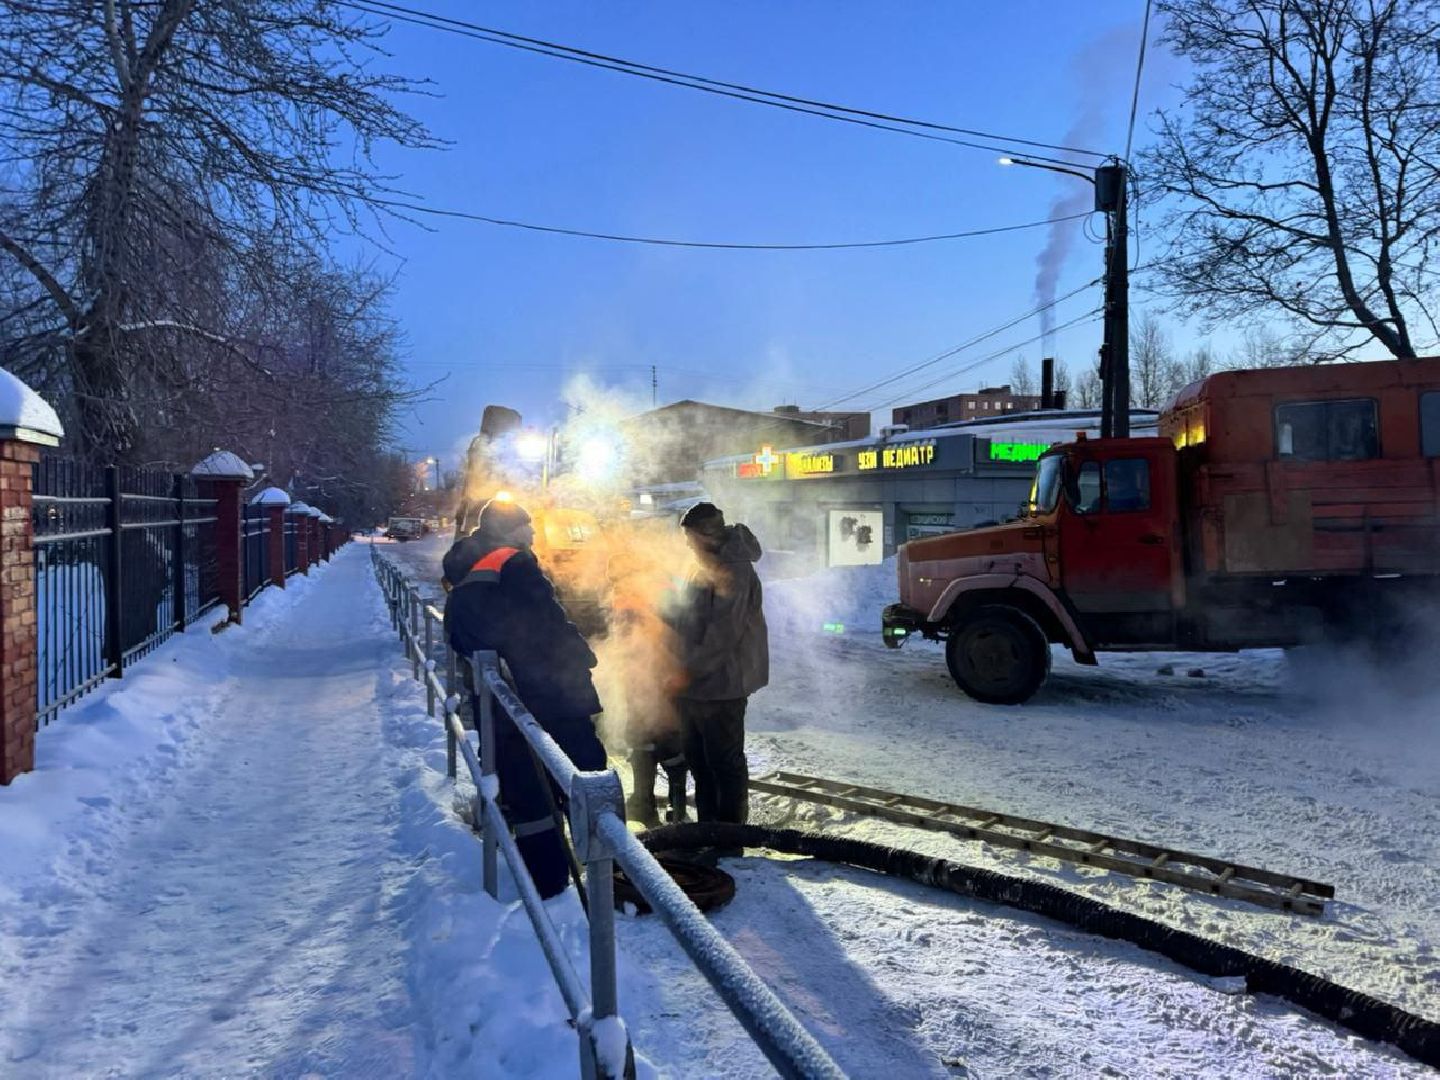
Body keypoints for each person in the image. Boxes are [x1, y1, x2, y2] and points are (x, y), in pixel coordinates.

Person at [444, 497, 607, 899]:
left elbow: (458, 632)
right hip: (548, 696)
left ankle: (546, 881)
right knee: (586, 775)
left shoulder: (466, 569)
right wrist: (581, 657)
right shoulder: (513, 563)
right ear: (510, 530)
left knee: (526, 790)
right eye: (527, 525)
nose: (533, 532)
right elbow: (547, 623)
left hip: (499, 700)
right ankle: (607, 872)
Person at [668, 502, 768, 825]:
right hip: (696, 683)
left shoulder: (734, 570)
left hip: (723, 683)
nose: (687, 545)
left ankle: (730, 833)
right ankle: (708, 827)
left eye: (691, 538)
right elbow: (688, 615)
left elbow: (723, 634)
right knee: (699, 760)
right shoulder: (701, 563)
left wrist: (687, 670)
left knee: (723, 762)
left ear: (707, 535)